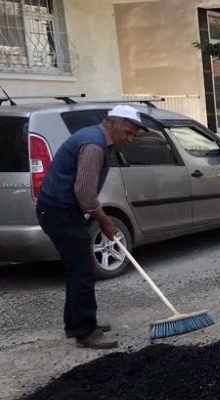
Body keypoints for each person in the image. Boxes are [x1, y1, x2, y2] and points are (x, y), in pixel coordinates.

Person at [35, 105, 147, 349]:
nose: (129, 139)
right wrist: (104, 220)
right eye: (127, 132)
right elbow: (84, 192)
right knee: (83, 270)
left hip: (59, 209)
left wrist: (95, 215)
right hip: (60, 211)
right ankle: (86, 332)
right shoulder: (95, 146)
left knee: (76, 268)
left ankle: (75, 324)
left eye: (133, 135)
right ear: (111, 123)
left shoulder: (94, 137)